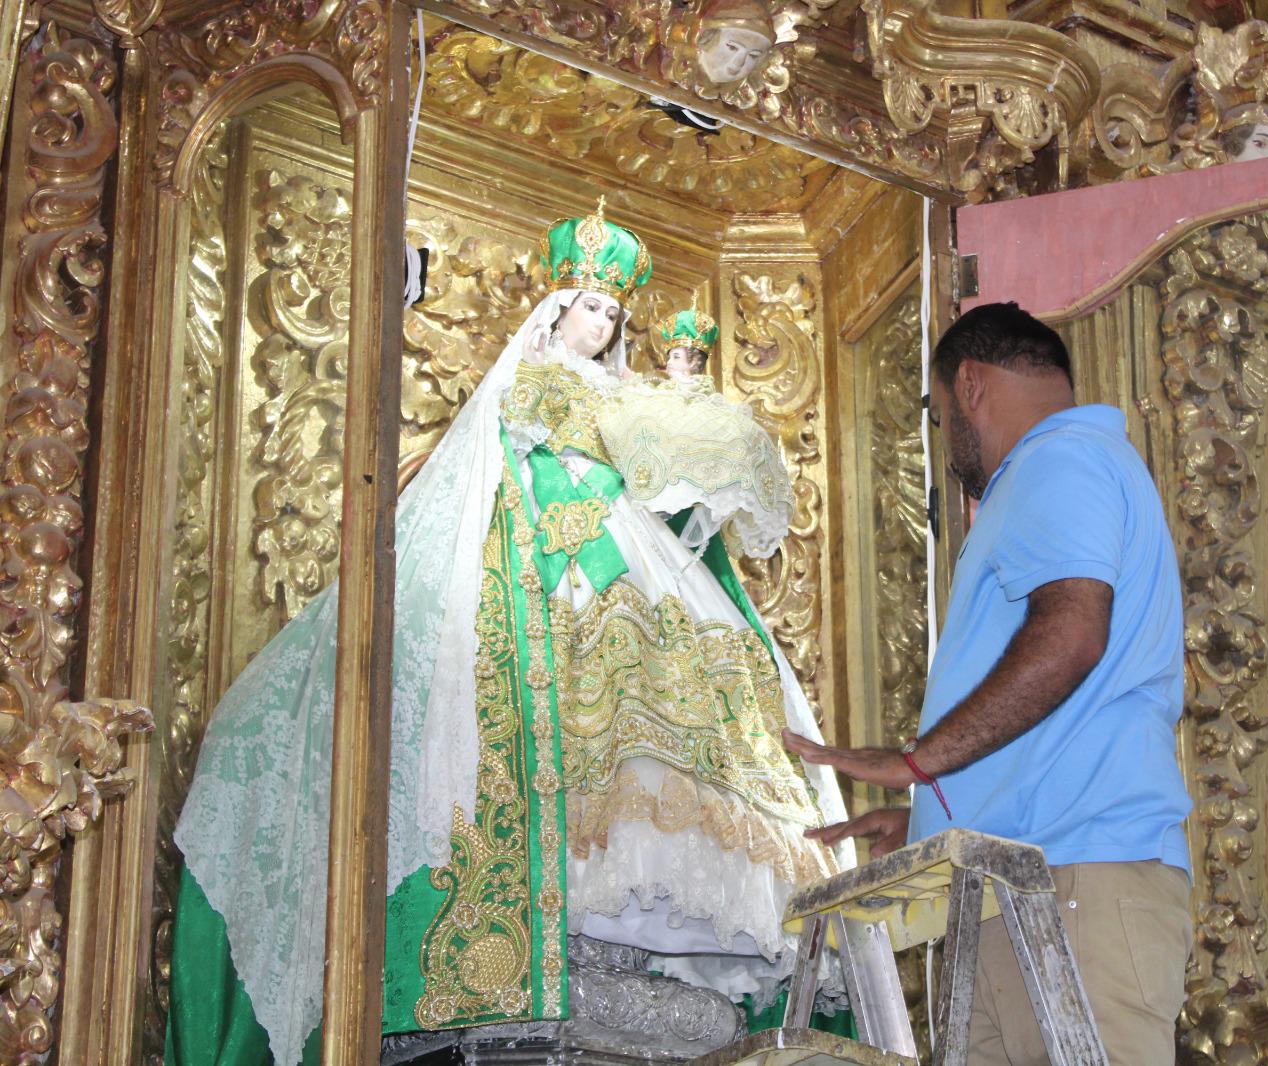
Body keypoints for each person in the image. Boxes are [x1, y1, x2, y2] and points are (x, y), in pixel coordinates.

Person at [166, 202, 845, 1064]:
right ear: (558, 307)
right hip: (547, 550)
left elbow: (662, 469)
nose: (599, 326)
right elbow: (498, 463)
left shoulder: (624, 396)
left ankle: (614, 953)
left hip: (626, 551)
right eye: (589, 307)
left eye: (611, 314)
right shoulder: (525, 382)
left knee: (658, 739)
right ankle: (546, 953)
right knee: (535, 731)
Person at [785, 301, 1193, 1066]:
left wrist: (918, 760)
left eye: (938, 418)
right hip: (1022, 890)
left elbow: (1071, 635)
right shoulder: (1047, 474)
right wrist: (931, 822)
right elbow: (1051, 715)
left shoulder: (1059, 458)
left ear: (968, 384)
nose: (947, 444)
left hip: (1080, 880)